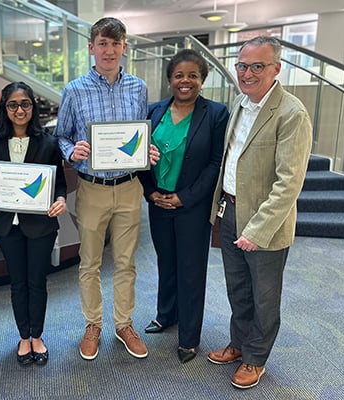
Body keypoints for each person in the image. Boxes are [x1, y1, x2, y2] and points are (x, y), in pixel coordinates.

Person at [207, 36, 312, 389]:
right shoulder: (240, 103)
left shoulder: (291, 113)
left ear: (276, 68)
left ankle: (256, 358)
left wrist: (257, 229)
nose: (247, 73)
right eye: (242, 65)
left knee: (264, 295)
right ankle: (239, 345)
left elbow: (289, 182)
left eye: (257, 66)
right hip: (231, 209)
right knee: (238, 289)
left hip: (264, 222)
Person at [54, 17, 149, 360]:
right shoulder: (74, 90)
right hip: (91, 187)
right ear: (91, 48)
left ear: (125, 47)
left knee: (126, 262)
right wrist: (70, 150)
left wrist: (147, 149)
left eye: (115, 43)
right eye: (102, 44)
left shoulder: (138, 87)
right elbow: (61, 135)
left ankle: (124, 324)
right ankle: (92, 324)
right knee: (90, 262)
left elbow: (140, 136)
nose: (109, 50)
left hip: (128, 187)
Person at [138, 49, 228, 363]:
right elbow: (139, 158)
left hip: (191, 205)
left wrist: (185, 197)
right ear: (170, 80)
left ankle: (189, 337)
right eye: (179, 75)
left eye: (192, 75)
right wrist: (150, 193)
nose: (185, 81)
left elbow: (216, 164)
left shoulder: (216, 114)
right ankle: (166, 314)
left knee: (191, 270)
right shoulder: (153, 111)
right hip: (158, 201)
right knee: (166, 261)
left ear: (202, 79)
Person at [0, 82, 67, 366]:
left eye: (25, 104)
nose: (20, 110)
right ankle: (23, 336)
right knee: (18, 283)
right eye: (13, 105)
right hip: (8, 225)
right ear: (5, 109)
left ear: (33, 107)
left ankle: (37, 335)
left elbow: (59, 184)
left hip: (40, 224)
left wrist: (61, 199)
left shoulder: (49, 142)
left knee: (37, 281)